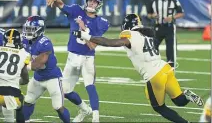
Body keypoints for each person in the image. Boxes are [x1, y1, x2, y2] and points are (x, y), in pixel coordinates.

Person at [73, 13, 204, 123]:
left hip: (154, 75)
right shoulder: (148, 34)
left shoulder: (130, 34)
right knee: (179, 100)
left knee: (159, 108)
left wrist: (86, 36)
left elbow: (110, 43)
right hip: (165, 68)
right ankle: (187, 95)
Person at [46, 0, 109, 122]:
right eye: (90, 0)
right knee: (65, 91)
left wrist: (83, 30)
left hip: (87, 58)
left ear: (99, 5)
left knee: (89, 85)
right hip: (72, 57)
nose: (91, 3)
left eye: (95, 2)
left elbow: (92, 46)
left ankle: (96, 118)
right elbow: (61, 5)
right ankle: (85, 109)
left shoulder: (101, 22)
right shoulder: (76, 10)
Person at [21, 16, 70, 123]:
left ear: (40, 29)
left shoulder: (45, 41)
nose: (28, 32)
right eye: (27, 29)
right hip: (38, 77)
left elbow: (39, 62)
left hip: (52, 78)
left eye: (32, 29)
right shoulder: (24, 40)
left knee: (58, 107)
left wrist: (24, 67)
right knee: (28, 100)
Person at [147, 0, 184, 69]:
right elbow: (149, 14)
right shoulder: (154, 0)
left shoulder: (173, 0)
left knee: (170, 50)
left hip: (169, 28)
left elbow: (181, 13)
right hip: (158, 27)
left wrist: (172, 17)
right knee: (153, 48)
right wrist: (153, 16)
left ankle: (171, 68)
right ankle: (153, 67)